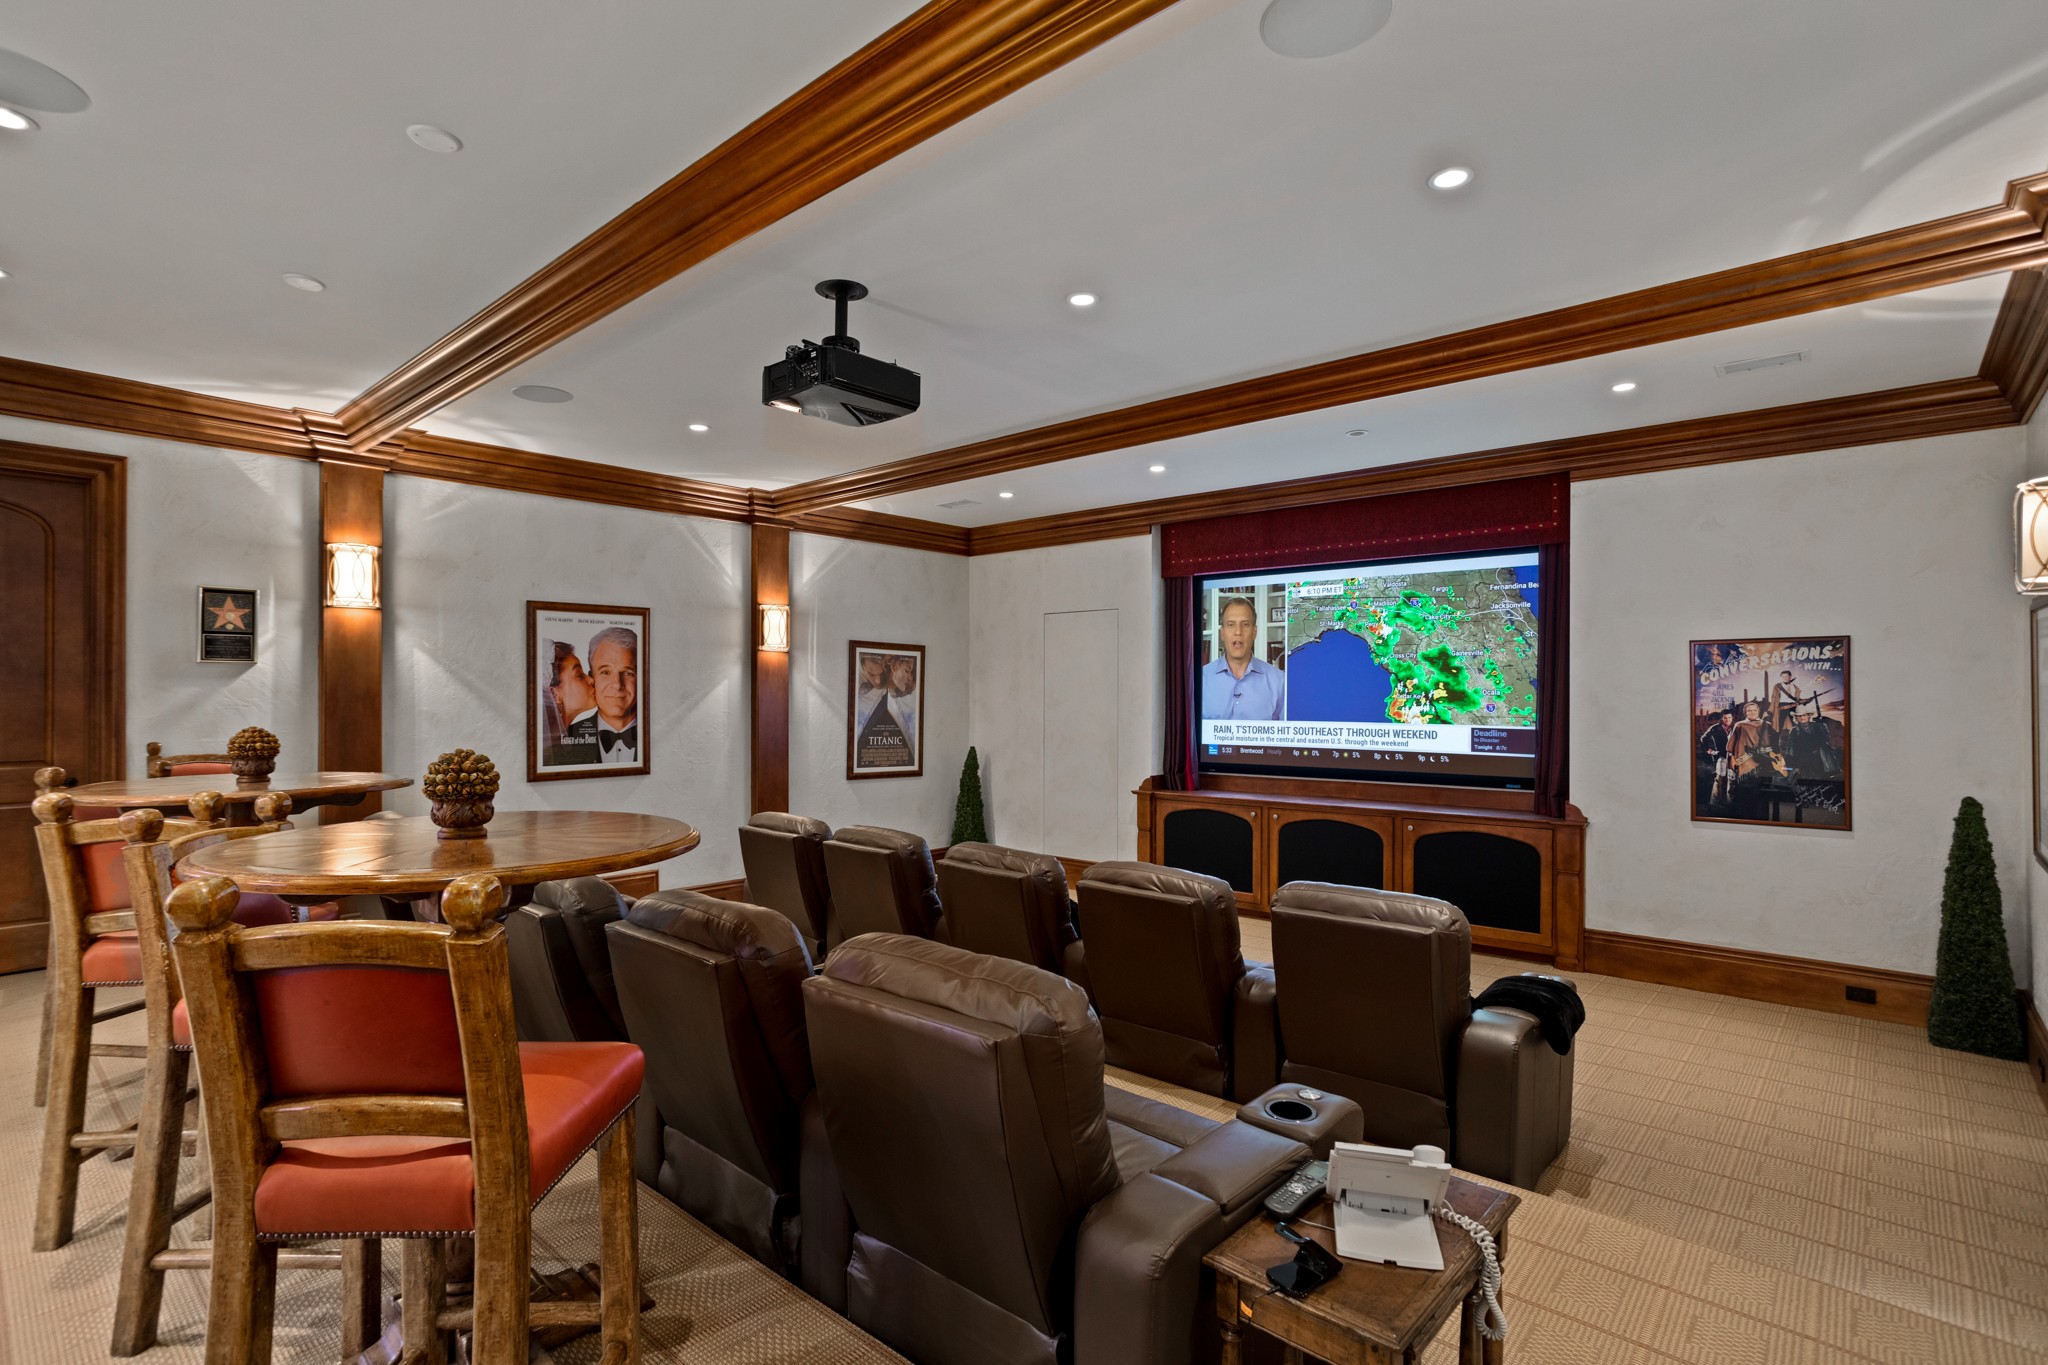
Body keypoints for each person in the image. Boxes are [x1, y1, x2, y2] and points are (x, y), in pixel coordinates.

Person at [1200, 595, 1284, 721]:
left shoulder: (1278, 682)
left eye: (1245, 624)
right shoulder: (1201, 679)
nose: (1238, 632)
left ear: (1254, 632)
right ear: (1222, 632)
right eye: (1231, 625)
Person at [565, 626, 640, 765]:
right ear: (592, 677)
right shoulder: (564, 738)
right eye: (606, 672)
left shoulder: (663, 732)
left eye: (628, 673)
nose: (617, 685)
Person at [540, 641, 601, 767]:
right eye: (579, 675)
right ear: (555, 693)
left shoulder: (564, 741)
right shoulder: (547, 751)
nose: (591, 680)